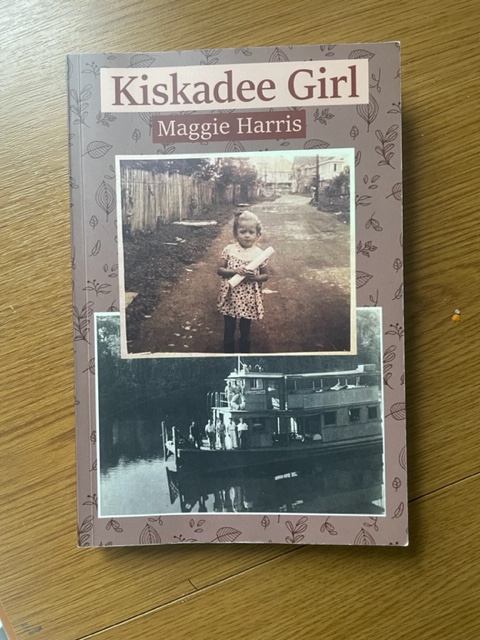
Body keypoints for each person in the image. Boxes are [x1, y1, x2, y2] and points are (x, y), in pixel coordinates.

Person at [217, 210, 269, 353]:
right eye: (242, 231)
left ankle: (244, 356)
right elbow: (220, 270)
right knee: (229, 327)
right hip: (230, 296)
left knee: (245, 328)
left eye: (251, 232)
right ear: (236, 233)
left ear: (257, 235)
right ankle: (228, 356)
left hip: (248, 297)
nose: (247, 235)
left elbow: (265, 276)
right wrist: (235, 271)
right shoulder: (229, 250)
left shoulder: (260, 254)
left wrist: (254, 277)